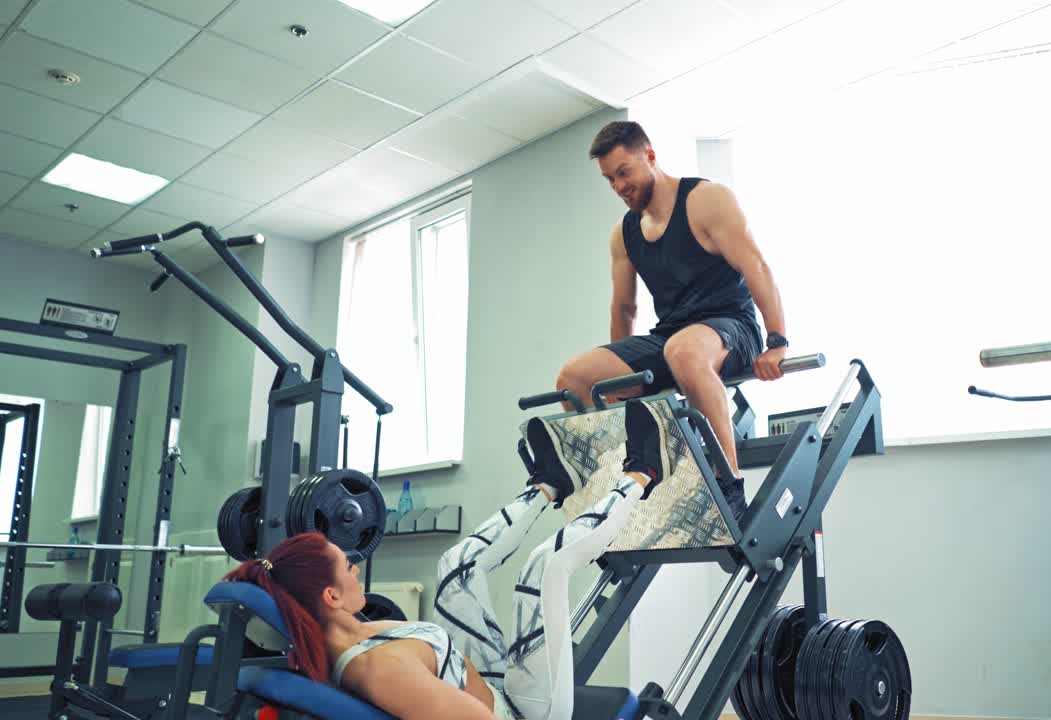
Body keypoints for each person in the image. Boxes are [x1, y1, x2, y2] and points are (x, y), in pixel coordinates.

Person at [225, 400, 673, 720]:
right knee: (544, 566)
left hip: (488, 681)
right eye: (346, 566)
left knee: (455, 567)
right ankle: (643, 472)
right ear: (330, 595)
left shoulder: (355, 634)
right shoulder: (379, 671)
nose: (356, 565)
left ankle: (550, 485)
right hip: (521, 713)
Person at [555, 120, 790, 520]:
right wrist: (621, 385)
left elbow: (756, 266)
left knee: (682, 351)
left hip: (731, 325)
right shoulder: (624, 234)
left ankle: (727, 488)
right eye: (609, 179)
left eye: (624, 172)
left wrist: (777, 340)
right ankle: (629, 475)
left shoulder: (706, 199)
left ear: (650, 156)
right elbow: (624, 309)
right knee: (574, 379)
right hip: (671, 338)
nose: (618, 186)